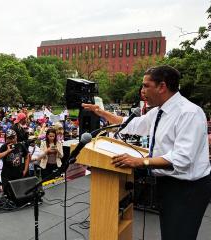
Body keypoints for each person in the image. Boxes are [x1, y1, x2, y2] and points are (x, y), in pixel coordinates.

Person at [83, 65, 211, 240]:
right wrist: (101, 113)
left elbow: (182, 158)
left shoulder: (189, 113)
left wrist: (139, 161)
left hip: (187, 189)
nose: (142, 91)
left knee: (179, 235)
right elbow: (132, 124)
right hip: (168, 183)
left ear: (162, 86)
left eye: (145, 85)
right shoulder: (159, 111)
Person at [0, 129, 29, 198]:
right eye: (10, 138)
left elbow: (27, 156)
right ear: (6, 139)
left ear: (16, 136)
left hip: (18, 174)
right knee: (8, 195)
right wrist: (7, 151)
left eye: (13, 137)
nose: (12, 140)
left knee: (19, 193)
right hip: (7, 175)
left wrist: (25, 169)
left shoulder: (20, 145)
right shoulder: (5, 146)